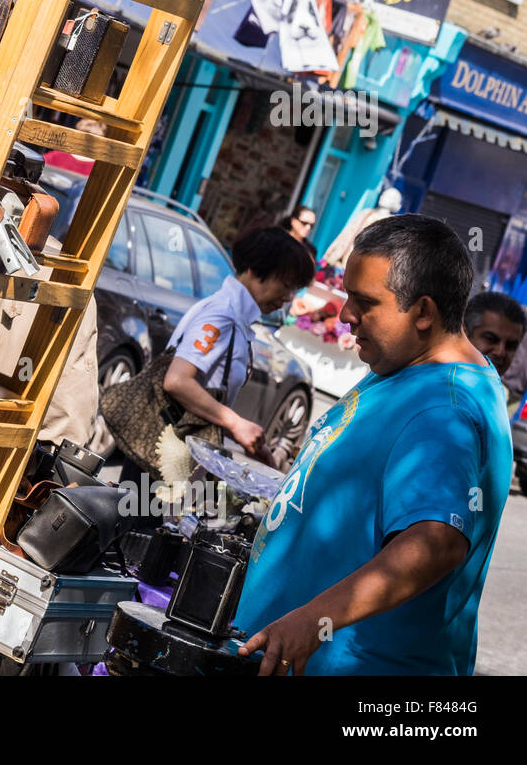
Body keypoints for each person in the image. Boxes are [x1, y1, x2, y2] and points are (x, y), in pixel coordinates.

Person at [235, 215, 512, 675]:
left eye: (364, 302)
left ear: (423, 312)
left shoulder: (444, 409)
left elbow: (436, 541)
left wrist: (314, 619)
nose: (345, 315)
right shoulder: (405, 367)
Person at [161, 227, 315, 463]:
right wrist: (235, 423)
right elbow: (177, 381)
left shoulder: (234, 317)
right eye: (285, 284)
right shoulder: (221, 315)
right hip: (164, 458)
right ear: (255, 271)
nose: (287, 298)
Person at [463, 290, 525, 378]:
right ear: (464, 333)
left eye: (510, 346)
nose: (500, 352)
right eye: (491, 339)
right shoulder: (442, 384)